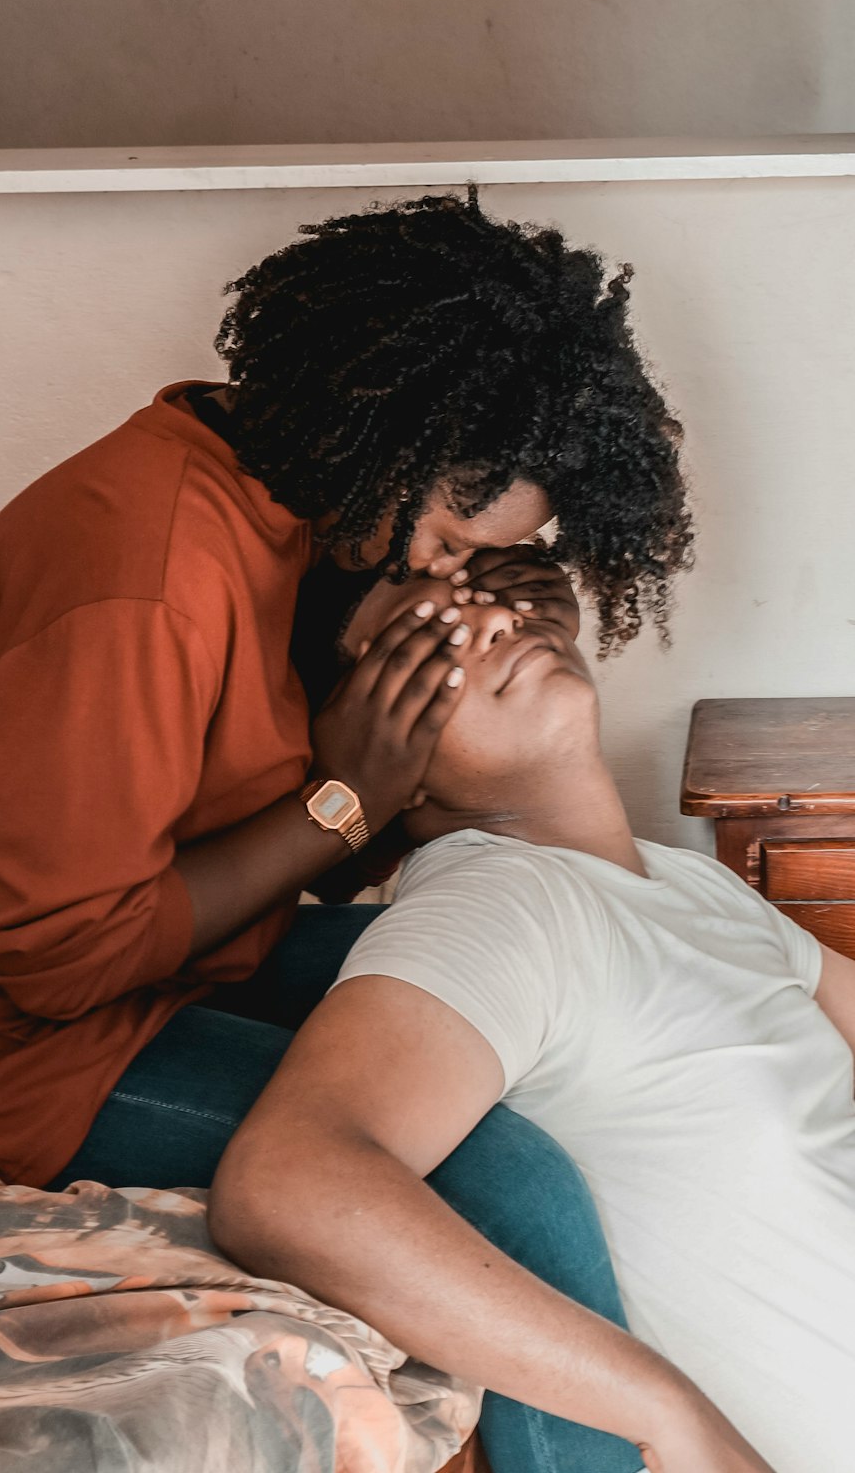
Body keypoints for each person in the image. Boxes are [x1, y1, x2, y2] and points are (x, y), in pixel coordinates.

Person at [0, 189, 690, 1471]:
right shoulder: (143, 576)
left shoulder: (297, 510)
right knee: (503, 1185)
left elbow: (307, 846)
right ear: (394, 440)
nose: (450, 574)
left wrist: (431, 702)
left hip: (181, 960)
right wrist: (345, 796)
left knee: (545, 1008)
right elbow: (58, 962)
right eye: (451, 537)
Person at [209, 572, 855, 1473]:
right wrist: (669, 1414)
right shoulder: (501, 904)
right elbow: (285, 1181)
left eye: (487, 594)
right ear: (377, 753)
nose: (497, 619)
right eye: (428, 635)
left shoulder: (688, 884)